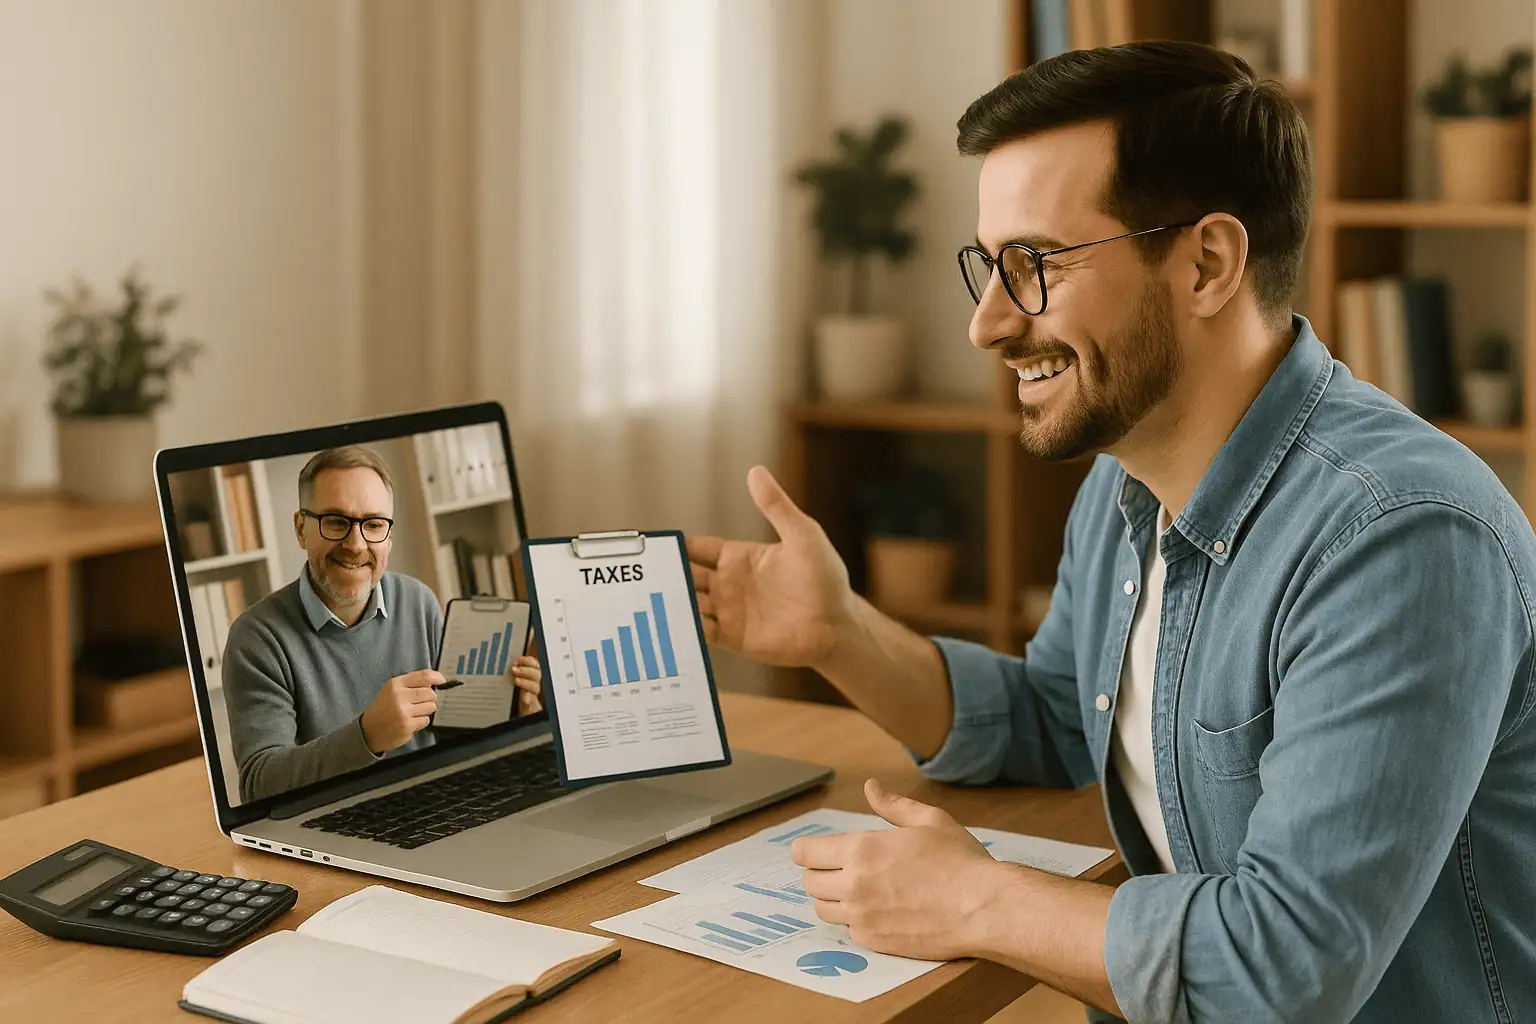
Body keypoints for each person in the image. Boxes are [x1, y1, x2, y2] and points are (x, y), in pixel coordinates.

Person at [687, 42, 1536, 1024]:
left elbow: (1286, 971)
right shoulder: (1128, 478)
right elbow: (1059, 720)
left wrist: (973, 897)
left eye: (1034, 264)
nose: (989, 324)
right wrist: (841, 632)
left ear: (1208, 263)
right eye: (989, 267)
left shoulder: (1399, 539)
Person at [224, 445, 542, 803]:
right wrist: (367, 735)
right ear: (301, 529)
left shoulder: (418, 601)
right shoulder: (256, 638)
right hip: (330, 834)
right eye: (336, 522)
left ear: (388, 538)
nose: (356, 544)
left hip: (434, 809)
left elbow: (455, 741)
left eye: (373, 524)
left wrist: (516, 717)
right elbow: (258, 785)